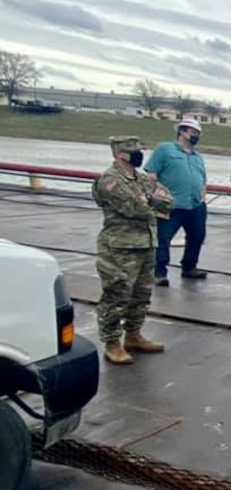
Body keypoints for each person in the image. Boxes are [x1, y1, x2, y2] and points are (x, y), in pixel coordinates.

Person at [92, 136, 174, 365]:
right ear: (119, 153)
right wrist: (152, 200)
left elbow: (168, 200)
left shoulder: (141, 178)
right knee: (116, 295)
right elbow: (135, 208)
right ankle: (111, 342)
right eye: (133, 151)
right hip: (120, 247)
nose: (138, 155)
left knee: (141, 295)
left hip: (146, 243)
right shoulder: (110, 180)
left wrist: (151, 199)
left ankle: (133, 335)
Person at [145, 118, 208, 287]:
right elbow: (151, 174)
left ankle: (189, 267)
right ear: (182, 132)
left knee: (197, 237)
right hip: (170, 205)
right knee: (163, 238)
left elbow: (202, 179)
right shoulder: (164, 150)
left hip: (195, 205)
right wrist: (158, 193)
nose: (195, 136)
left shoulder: (197, 157)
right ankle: (159, 272)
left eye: (198, 133)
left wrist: (202, 196)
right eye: (193, 132)